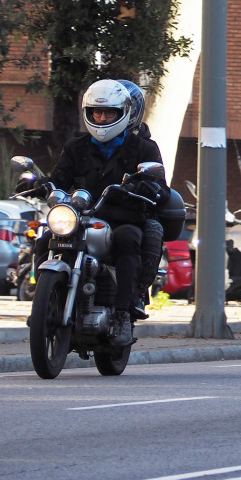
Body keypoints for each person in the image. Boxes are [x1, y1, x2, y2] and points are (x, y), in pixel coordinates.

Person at [43, 80, 171, 347]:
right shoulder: (75, 147)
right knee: (45, 238)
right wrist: (40, 184)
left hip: (123, 218)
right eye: (97, 112)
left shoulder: (143, 148)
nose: (102, 118)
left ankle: (123, 314)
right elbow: (59, 178)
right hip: (81, 217)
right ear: (88, 113)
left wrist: (148, 187)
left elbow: (162, 189)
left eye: (109, 113)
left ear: (123, 113)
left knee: (128, 240)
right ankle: (44, 301)